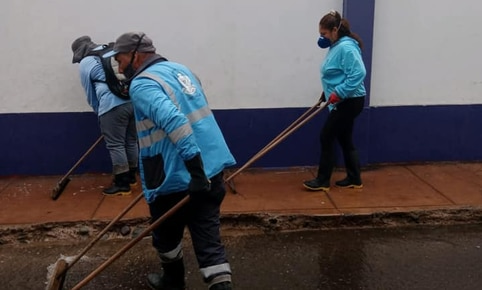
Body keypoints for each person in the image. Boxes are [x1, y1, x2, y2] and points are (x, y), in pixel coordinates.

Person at [103, 32, 236, 290]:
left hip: (175, 176)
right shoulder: (181, 70)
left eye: (120, 60)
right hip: (211, 170)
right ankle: (220, 285)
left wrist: (194, 171)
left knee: (165, 235)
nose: (119, 68)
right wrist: (202, 173)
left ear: (136, 56)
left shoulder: (142, 83)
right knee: (208, 240)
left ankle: (173, 281)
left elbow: (176, 121)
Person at [303, 10, 366, 192]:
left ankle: (322, 181)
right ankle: (354, 178)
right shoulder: (337, 45)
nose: (321, 38)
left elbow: (359, 73)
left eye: (323, 34)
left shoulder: (346, 47)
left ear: (334, 30)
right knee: (344, 138)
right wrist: (327, 92)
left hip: (349, 101)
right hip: (343, 99)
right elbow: (337, 72)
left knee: (326, 136)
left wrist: (338, 92)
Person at [71, 36, 139, 196]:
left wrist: (101, 113)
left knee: (116, 145)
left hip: (111, 106)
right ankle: (131, 178)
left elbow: (91, 93)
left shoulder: (86, 63)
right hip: (133, 102)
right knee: (130, 141)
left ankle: (121, 184)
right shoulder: (111, 51)